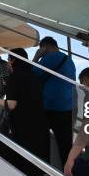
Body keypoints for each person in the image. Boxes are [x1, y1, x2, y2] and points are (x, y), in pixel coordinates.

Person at [0, 48, 50, 176]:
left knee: (22, 166)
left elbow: (11, 104)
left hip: (23, 127)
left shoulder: (15, 77)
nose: (7, 63)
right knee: (35, 167)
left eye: (8, 60)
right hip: (39, 124)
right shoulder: (34, 76)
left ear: (13, 61)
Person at [32, 36, 76, 166]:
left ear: (44, 47)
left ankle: (42, 172)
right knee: (66, 147)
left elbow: (32, 73)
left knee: (40, 141)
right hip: (68, 108)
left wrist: (36, 56)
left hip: (50, 108)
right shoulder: (69, 61)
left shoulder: (49, 58)